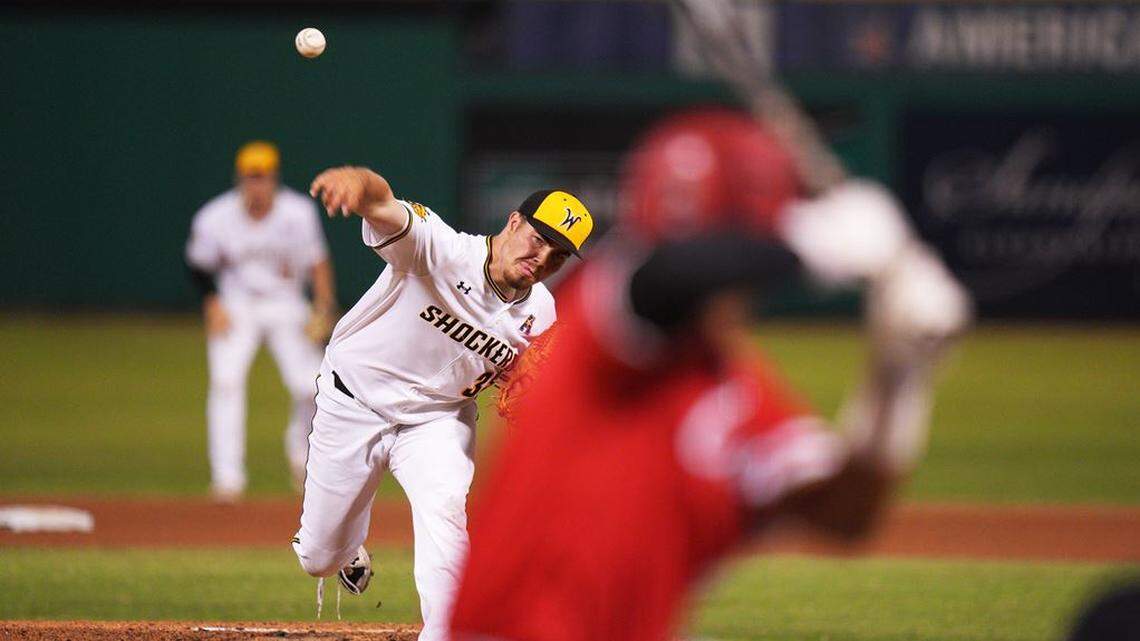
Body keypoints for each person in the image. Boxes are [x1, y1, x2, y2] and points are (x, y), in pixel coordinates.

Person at [449, 109, 972, 641]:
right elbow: (669, 276)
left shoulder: (733, 391)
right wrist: (815, 242)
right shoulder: (604, 319)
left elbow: (843, 515)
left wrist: (900, 376)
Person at [290, 165, 594, 639]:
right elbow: (383, 202)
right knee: (317, 557)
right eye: (539, 239)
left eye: (558, 255)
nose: (542, 257)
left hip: (438, 420)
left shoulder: (542, 313)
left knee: (446, 509)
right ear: (514, 221)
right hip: (354, 401)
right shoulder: (440, 249)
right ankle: (345, 548)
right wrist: (358, 183)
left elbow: (534, 385)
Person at [185, 141, 337, 503]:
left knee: (310, 385)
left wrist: (324, 306)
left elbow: (318, 262)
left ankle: (302, 457)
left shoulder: (297, 213)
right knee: (225, 382)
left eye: (263, 177)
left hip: (286, 303)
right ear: (240, 179)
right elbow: (198, 265)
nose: (257, 185)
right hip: (237, 306)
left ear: (274, 178)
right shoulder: (215, 216)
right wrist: (212, 302)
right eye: (251, 177)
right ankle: (227, 479)